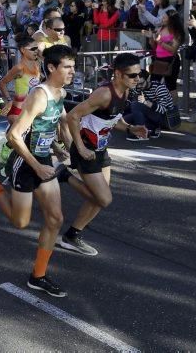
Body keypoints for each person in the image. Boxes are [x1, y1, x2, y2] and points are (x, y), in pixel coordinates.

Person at [0, 44, 76, 297]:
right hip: (24, 163)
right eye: (68, 67)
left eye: (73, 66)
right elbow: (14, 136)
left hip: (43, 162)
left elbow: (47, 127)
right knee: (20, 222)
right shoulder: (39, 95)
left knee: (55, 219)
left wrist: (60, 149)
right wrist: (37, 166)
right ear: (51, 68)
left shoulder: (60, 93)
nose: (73, 71)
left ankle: (37, 276)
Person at [60, 52, 148, 256]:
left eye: (139, 74)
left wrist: (129, 128)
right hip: (86, 149)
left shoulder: (126, 90)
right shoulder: (104, 93)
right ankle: (63, 175)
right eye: (132, 75)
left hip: (100, 149)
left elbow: (112, 118)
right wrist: (80, 148)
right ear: (117, 74)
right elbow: (73, 116)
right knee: (104, 199)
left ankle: (72, 236)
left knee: (97, 199)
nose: (137, 79)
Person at [0, 33, 42, 124]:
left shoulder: (37, 64)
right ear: (23, 50)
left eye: (36, 48)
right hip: (18, 112)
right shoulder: (19, 68)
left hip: (33, 109)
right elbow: (2, 83)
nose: (36, 51)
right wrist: (9, 100)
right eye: (33, 49)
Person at [124, 70, 176, 140]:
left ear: (148, 79)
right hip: (150, 114)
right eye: (137, 84)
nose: (139, 86)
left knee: (135, 105)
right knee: (123, 121)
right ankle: (153, 128)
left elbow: (163, 109)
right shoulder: (138, 87)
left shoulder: (159, 88)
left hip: (165, 117)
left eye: (141, 83)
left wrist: (145, 102)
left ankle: (142, 133)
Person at [146, 9, 183, 97]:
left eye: (165, 17)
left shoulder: (176, 32)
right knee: (154, 84)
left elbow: (173, 49)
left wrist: (160, 42)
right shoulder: (160, 29)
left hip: (171, 61)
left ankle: (173, 108)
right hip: (159, 60)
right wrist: (151, 38)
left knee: (171, 86)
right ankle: (155, 106)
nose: (162, 18)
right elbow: (154, 47)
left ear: (171, 19)